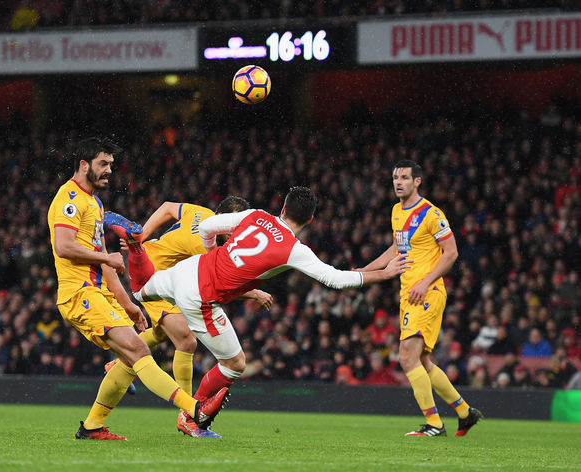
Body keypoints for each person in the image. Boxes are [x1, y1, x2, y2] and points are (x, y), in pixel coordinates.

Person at [123, 186, 409, 436]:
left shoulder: (256, 215)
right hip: (201, 298)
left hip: (187, 269)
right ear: (309, 220)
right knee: (234, 364)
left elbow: (209, 226)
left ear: (283, 207)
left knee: (140, 290)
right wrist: (383, 275)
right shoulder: (294, 249)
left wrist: (211, 253)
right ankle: (190, 413)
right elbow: (335, 279)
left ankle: (133, 251)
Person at [47, 137, 228, 441]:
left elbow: (107, 265)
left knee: (131, 359)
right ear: (83, 165)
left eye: (111, 165)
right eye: (103, 164)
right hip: (79, 294)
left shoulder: (93, 202)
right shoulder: (69, 200)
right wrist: (106, 256)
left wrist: (128, 303)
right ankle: (194, 410)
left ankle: (92, 426)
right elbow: (63, 247)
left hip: (98, 292)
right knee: (139, 350)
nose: (108, 170)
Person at [102, 195, 273, 438]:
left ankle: (118, 362)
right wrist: (255, 293)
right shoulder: (206, 244)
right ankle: (189, 416)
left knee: (162, 332)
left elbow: (168, 207)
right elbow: (221, 283)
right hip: (155, 276)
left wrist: (142, 237)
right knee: (186, 340)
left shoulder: (201, 214)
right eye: (235, 227)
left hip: (158, 268)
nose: (237, 234)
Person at [356, 160, 483, 437]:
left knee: (406, 357)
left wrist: (425, 282)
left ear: (417, 181)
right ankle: (464, 412)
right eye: (394, 177)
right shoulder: (396, 212)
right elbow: (395, 249)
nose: (398, 182)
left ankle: (435, 424)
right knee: (423, 362)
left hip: (426, 292)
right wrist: (366, 270)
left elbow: (451, 253)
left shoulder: (431, 213)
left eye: (404, 177)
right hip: (408, 293)